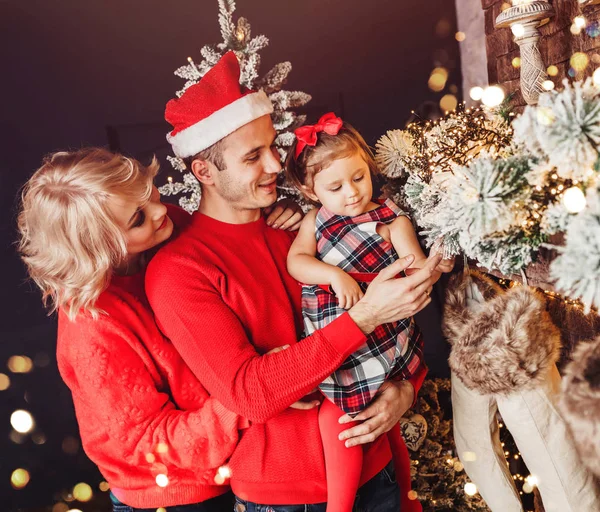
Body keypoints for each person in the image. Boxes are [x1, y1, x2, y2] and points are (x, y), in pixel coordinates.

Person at [146, 51, 442, 511]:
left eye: (272, 147)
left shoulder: (305, 225)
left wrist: (406, 388)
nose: (274, 166)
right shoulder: (180, 271)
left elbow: (396, 322)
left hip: (377, 468)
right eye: (252, 156)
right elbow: (248, 393)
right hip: (288, 497)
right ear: (203, 171)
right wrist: (363, 317)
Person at [17, 148, 302, 512]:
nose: (161, 210)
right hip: (170, 495)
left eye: (151, 192)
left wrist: (274, 218)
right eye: (138, 218)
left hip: (239, 464)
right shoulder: (90, 328)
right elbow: (147, 442)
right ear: (97, 249)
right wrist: (251, 396)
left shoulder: (171, 227)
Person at [284, 113, 454, 512]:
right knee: (364, 424)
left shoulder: (392, 221)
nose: (351, 193)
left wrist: (432, 267)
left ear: (368, 166)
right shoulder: (315, 221)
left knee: (348, 419)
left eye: (358, 177)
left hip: (380, 337)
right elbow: (297, 262)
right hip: (335, 335)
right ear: (310, 191)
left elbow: (412, 268)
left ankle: (373, 502)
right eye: (335, 186)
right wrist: (333, 275)